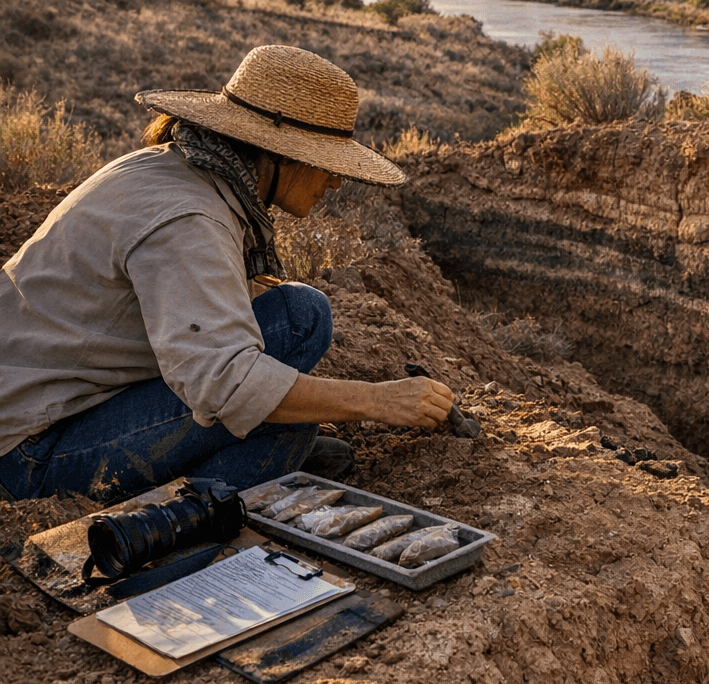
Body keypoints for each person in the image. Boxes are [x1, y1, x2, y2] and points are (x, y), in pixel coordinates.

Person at [0, 45, 454, 504]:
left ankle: (234, 455)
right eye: (325, 164)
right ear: (275, 154)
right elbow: (224, 383)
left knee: (301, 313)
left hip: (43, 400)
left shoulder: (173, 170)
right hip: (27, 451)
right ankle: (173, 516)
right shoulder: (190, 219)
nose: (335, 182)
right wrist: (379, 402)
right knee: (286, 429)